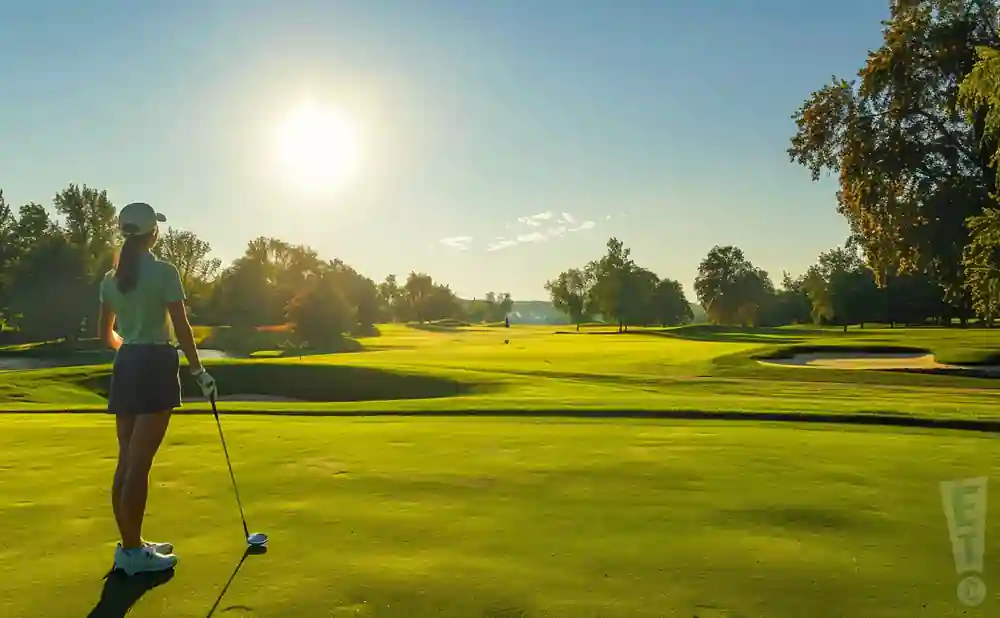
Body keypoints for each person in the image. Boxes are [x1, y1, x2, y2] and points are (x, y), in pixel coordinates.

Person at [98, 202, 218, 576]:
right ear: (153, 233)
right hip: (155, 365)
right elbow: (181, 327)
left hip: (127, 364)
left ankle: (130, 544)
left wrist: (130, 346)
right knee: (139, 464)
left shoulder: (110, 278)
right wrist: (198, 370)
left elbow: (105, 336)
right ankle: (133, 553)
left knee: (126, 459)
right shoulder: (164, 272)